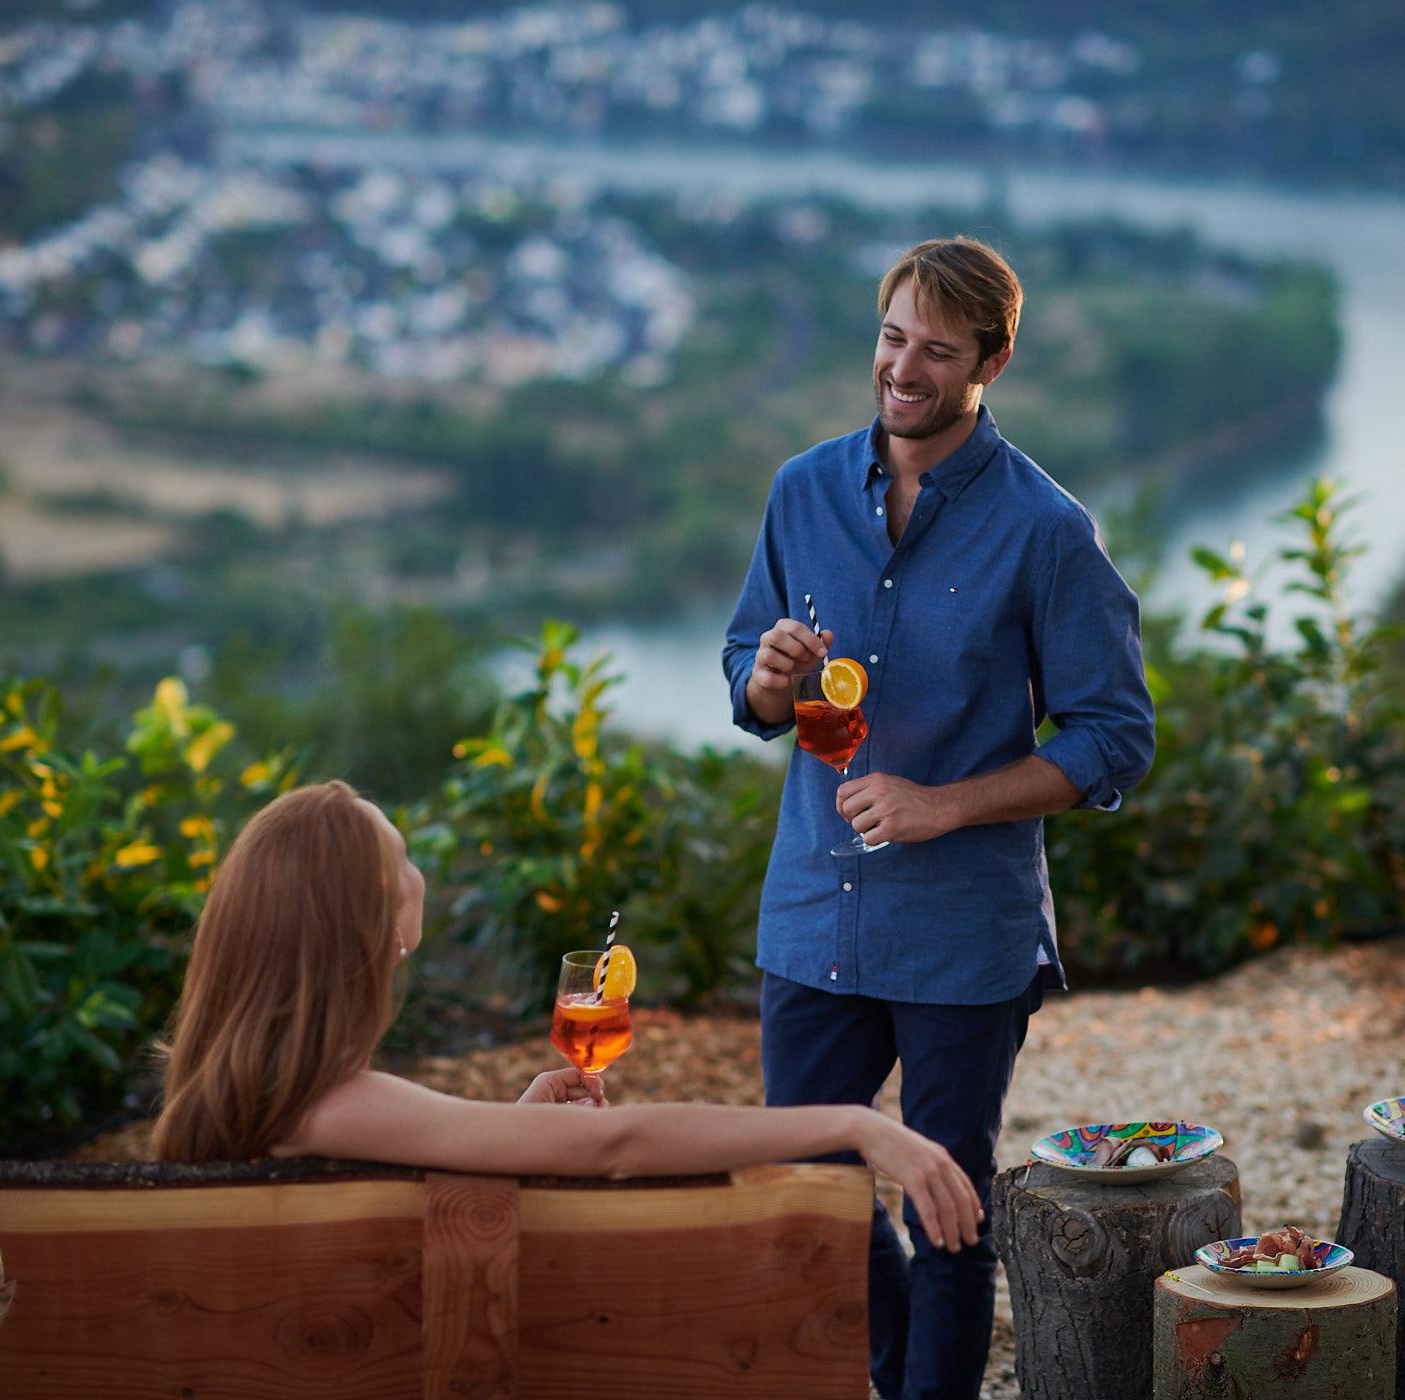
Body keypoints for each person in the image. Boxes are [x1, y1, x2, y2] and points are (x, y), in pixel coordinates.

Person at [722, 236, 1155, 1399]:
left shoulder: (1047, 529)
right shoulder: (802, 487)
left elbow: (1114, 738)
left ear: (992, 363)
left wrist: (942, 804)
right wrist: (766, 677)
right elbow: (745, 669)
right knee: (811, 1182)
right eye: (891, 337)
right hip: (814, 907)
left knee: (947, 1205)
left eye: (937, 350)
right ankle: (894, 1367)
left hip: (963, 931)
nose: (903, 369)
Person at [150, 780, 982, 1258]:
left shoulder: (265, 1092)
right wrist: (856, 1126)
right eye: (401, 858)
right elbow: (615, 1146)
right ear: (365, 916)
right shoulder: (327, 1103)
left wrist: (505, 1132)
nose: (417, 875)